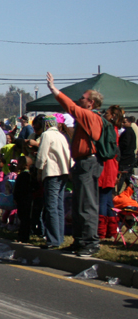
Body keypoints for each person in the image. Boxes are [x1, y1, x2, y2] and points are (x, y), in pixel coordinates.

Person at [45, 72, 103, 257]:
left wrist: (53, 89)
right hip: (81, 163)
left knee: (87, 205)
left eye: (83, 98)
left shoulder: (89, 116)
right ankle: (79, 241)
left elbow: (69, 106)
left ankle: (90, 242)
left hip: (88, 162)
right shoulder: (86, 117)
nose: (79, 100)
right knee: (78, 204)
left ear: (91, 103)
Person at [34, 115, 71, 249]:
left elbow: (42, 154)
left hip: (52, 172)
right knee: (59, 206)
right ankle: (59, 237)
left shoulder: (46, 135)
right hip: (64, 172)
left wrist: (38, 170)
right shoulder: (61, 136)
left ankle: (53, 240)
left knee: (51, 206)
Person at [98, 105, 122, 242]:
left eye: (106, 113)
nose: (104, 115)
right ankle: (111, 231)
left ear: (112, 116)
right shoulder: (115, 129)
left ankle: (101, 231)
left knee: (102, 199)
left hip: (106, 166)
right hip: (111, 166)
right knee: (107, 200)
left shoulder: (109, 129)